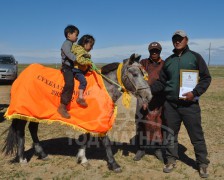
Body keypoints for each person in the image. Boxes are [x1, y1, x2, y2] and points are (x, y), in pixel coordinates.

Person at [151, 30, 211, 178]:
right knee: (170, 135)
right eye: (175, 39)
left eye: (180, 39)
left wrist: (195, 93)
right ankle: (171, 160)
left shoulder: (195, 57)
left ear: (186, 40)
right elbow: (161, 82)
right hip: (171, 105)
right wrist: (146, 90)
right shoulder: (169, 61)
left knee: (196, 135)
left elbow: (206, 78)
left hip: (190, 105)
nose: (177, 41)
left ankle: (202, 163)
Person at [134, 42, 165, 162]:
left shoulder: (164, 64)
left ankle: (157, 149)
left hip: (158, 99)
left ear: (160, 51)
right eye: (152, 51)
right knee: (141, 123)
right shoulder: (143, 63)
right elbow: (138, 78)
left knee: (158, 124)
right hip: (143, 98)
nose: (154, 53)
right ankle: (141, 148)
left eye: (156, 51)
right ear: (149, 52)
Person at [58, 25, 79, 119]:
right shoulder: (66, 44)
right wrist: (78, 59)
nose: (77, 37)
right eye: (76, 34)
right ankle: (62, 106)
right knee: (70, 83)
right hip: (67, 68)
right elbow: (69, 55)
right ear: (69, 35)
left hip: (72, 67)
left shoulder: (71, 44)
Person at [71, 34, 95, 107]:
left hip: (80, 70)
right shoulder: (81, 50)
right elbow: (79, 60)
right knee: (83, 81)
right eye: (91, 45)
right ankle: (80, 97)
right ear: (85, 44)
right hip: (77, 70)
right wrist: (88, 62)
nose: (92, 48)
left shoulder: (82, 51)